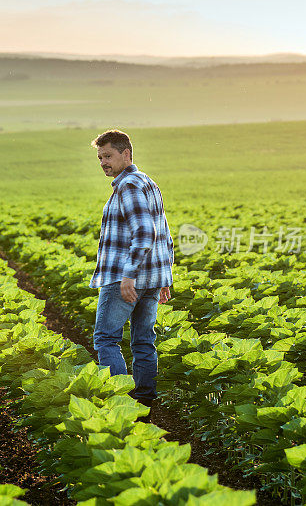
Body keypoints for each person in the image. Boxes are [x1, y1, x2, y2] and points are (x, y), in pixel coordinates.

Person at [90, 129, 174, 406]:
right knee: (142, 342)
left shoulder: (128, 185)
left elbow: (146, 232)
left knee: (106, 340)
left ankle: (120, 404)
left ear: (126, 154)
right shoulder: (147, 182)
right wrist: (164, 278)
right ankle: (145, 403)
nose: (103, 162)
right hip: (150, 278)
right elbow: (165, 233)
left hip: (125, 278)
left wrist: (128, 275)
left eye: (108, 155)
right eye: (100, 157)